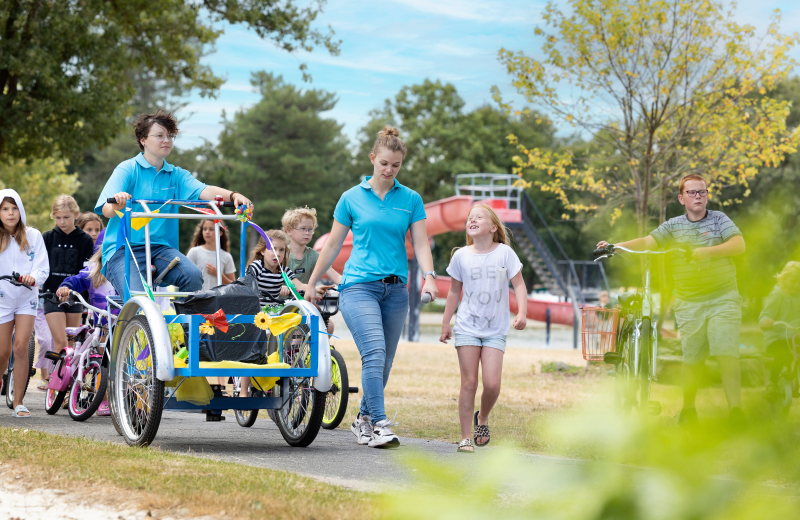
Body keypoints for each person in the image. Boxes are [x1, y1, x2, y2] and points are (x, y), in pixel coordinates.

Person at [305, 125, 439, 449]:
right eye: (384, 163)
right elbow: (332, 245)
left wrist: (430, 275)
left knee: (384, 361)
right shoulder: (351, 198)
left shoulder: (411, 199)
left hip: (396, 290)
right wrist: (312, 282)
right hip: (358, 287)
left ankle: (362, 419)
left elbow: (421, 243)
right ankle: (380, 424)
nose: (389, 170)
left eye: (396, 165)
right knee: (374, 352)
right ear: (372, 158)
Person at [596, 173, 747, 428]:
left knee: (726, 353)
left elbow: (739, 245)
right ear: (681, 198)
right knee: (693, 358)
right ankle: (688, 411)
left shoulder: (719, 219)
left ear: (707, 195)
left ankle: (736, 412)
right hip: (688, 301)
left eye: (702, 192)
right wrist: (615, 245)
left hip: (723, 298)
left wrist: (706, 252)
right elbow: (647, 242)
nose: (698, 196)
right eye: (692, 192)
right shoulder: (673, 226)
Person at [95, 110, 253, 298]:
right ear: (143, 140)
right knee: (138, 297)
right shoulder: (127, 169)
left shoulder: (176, 175)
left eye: (170, 136)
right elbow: (106, 210)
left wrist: (233, 195)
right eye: (159, 135)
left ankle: (185, 318)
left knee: (193, 276)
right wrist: (117, 204)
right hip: (124, 248)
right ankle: (136, 315)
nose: (167, 140)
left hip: (160, 249)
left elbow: (205, 190)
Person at [439, 204, 527, 453]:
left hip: (495, 330)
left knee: (492, 385)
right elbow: (454, 291)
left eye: (479, 217)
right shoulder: (461, 256)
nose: (472, 220)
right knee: (469, 382)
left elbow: (519, 285)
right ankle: (466, 437)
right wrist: (446, 322)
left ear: (493, 227)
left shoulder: (505, 253)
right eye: (470, 218)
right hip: (467, 326)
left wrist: (522, 312)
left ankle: (483, 417)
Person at [0, 189, 50, 417]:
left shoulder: (34, 235)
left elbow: (42, 267)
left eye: (14, 208)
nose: (10, 213)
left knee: (21, 347)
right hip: (2, 299)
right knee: (2, 352)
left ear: (20, 210)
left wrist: (33, 278)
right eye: (5, 209)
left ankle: (19, 402)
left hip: (26, 298)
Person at [56, 248, 117, 416]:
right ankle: (103, 399)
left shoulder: (129, 272)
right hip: (102, 325)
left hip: (124, 322)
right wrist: (66, 287)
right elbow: (76, 279)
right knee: (103, 358)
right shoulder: (94, 271)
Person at [42, 195, 95, 363]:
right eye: (58, 218)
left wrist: (75, 292)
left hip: (75, 297)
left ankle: (69, 377)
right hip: (51, 295)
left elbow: (86, 270)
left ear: (76, 214)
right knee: (61, 341)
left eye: (66, 217)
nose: (62, 222)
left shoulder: (85, 240)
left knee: (72, 345)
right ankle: (58, 377)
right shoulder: (47, 237)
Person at [282, 206, 340, 334]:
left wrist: (351, 285)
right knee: (295, 332)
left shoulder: (313, 255)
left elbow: (334, 275)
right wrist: (282, 288)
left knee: (329, 325)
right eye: (303, 229)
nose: (307, 233)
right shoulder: (281, 254)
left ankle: (312, 348)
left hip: (304, 304)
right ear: (289, 231)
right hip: (281, 306)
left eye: (310, 229)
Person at [759, 261, 800, 402]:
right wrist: (766, 321)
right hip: (777, 337)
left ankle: (794, 377)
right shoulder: (777, 296)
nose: (797, 285)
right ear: (784, 279)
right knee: (783, 353)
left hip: (795, 336)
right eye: (793, 281)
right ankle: (773, 382)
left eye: (799, 281)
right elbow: (765, 314)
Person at [186, 220, 237, 291]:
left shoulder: (227, 256)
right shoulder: (194, 252)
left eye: (211, 229)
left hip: (218, 297)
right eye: (205, 229)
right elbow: (186, 278)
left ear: (220, 232)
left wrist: (219, 275)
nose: (207, 232)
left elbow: (234, 286)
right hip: (198, 297)